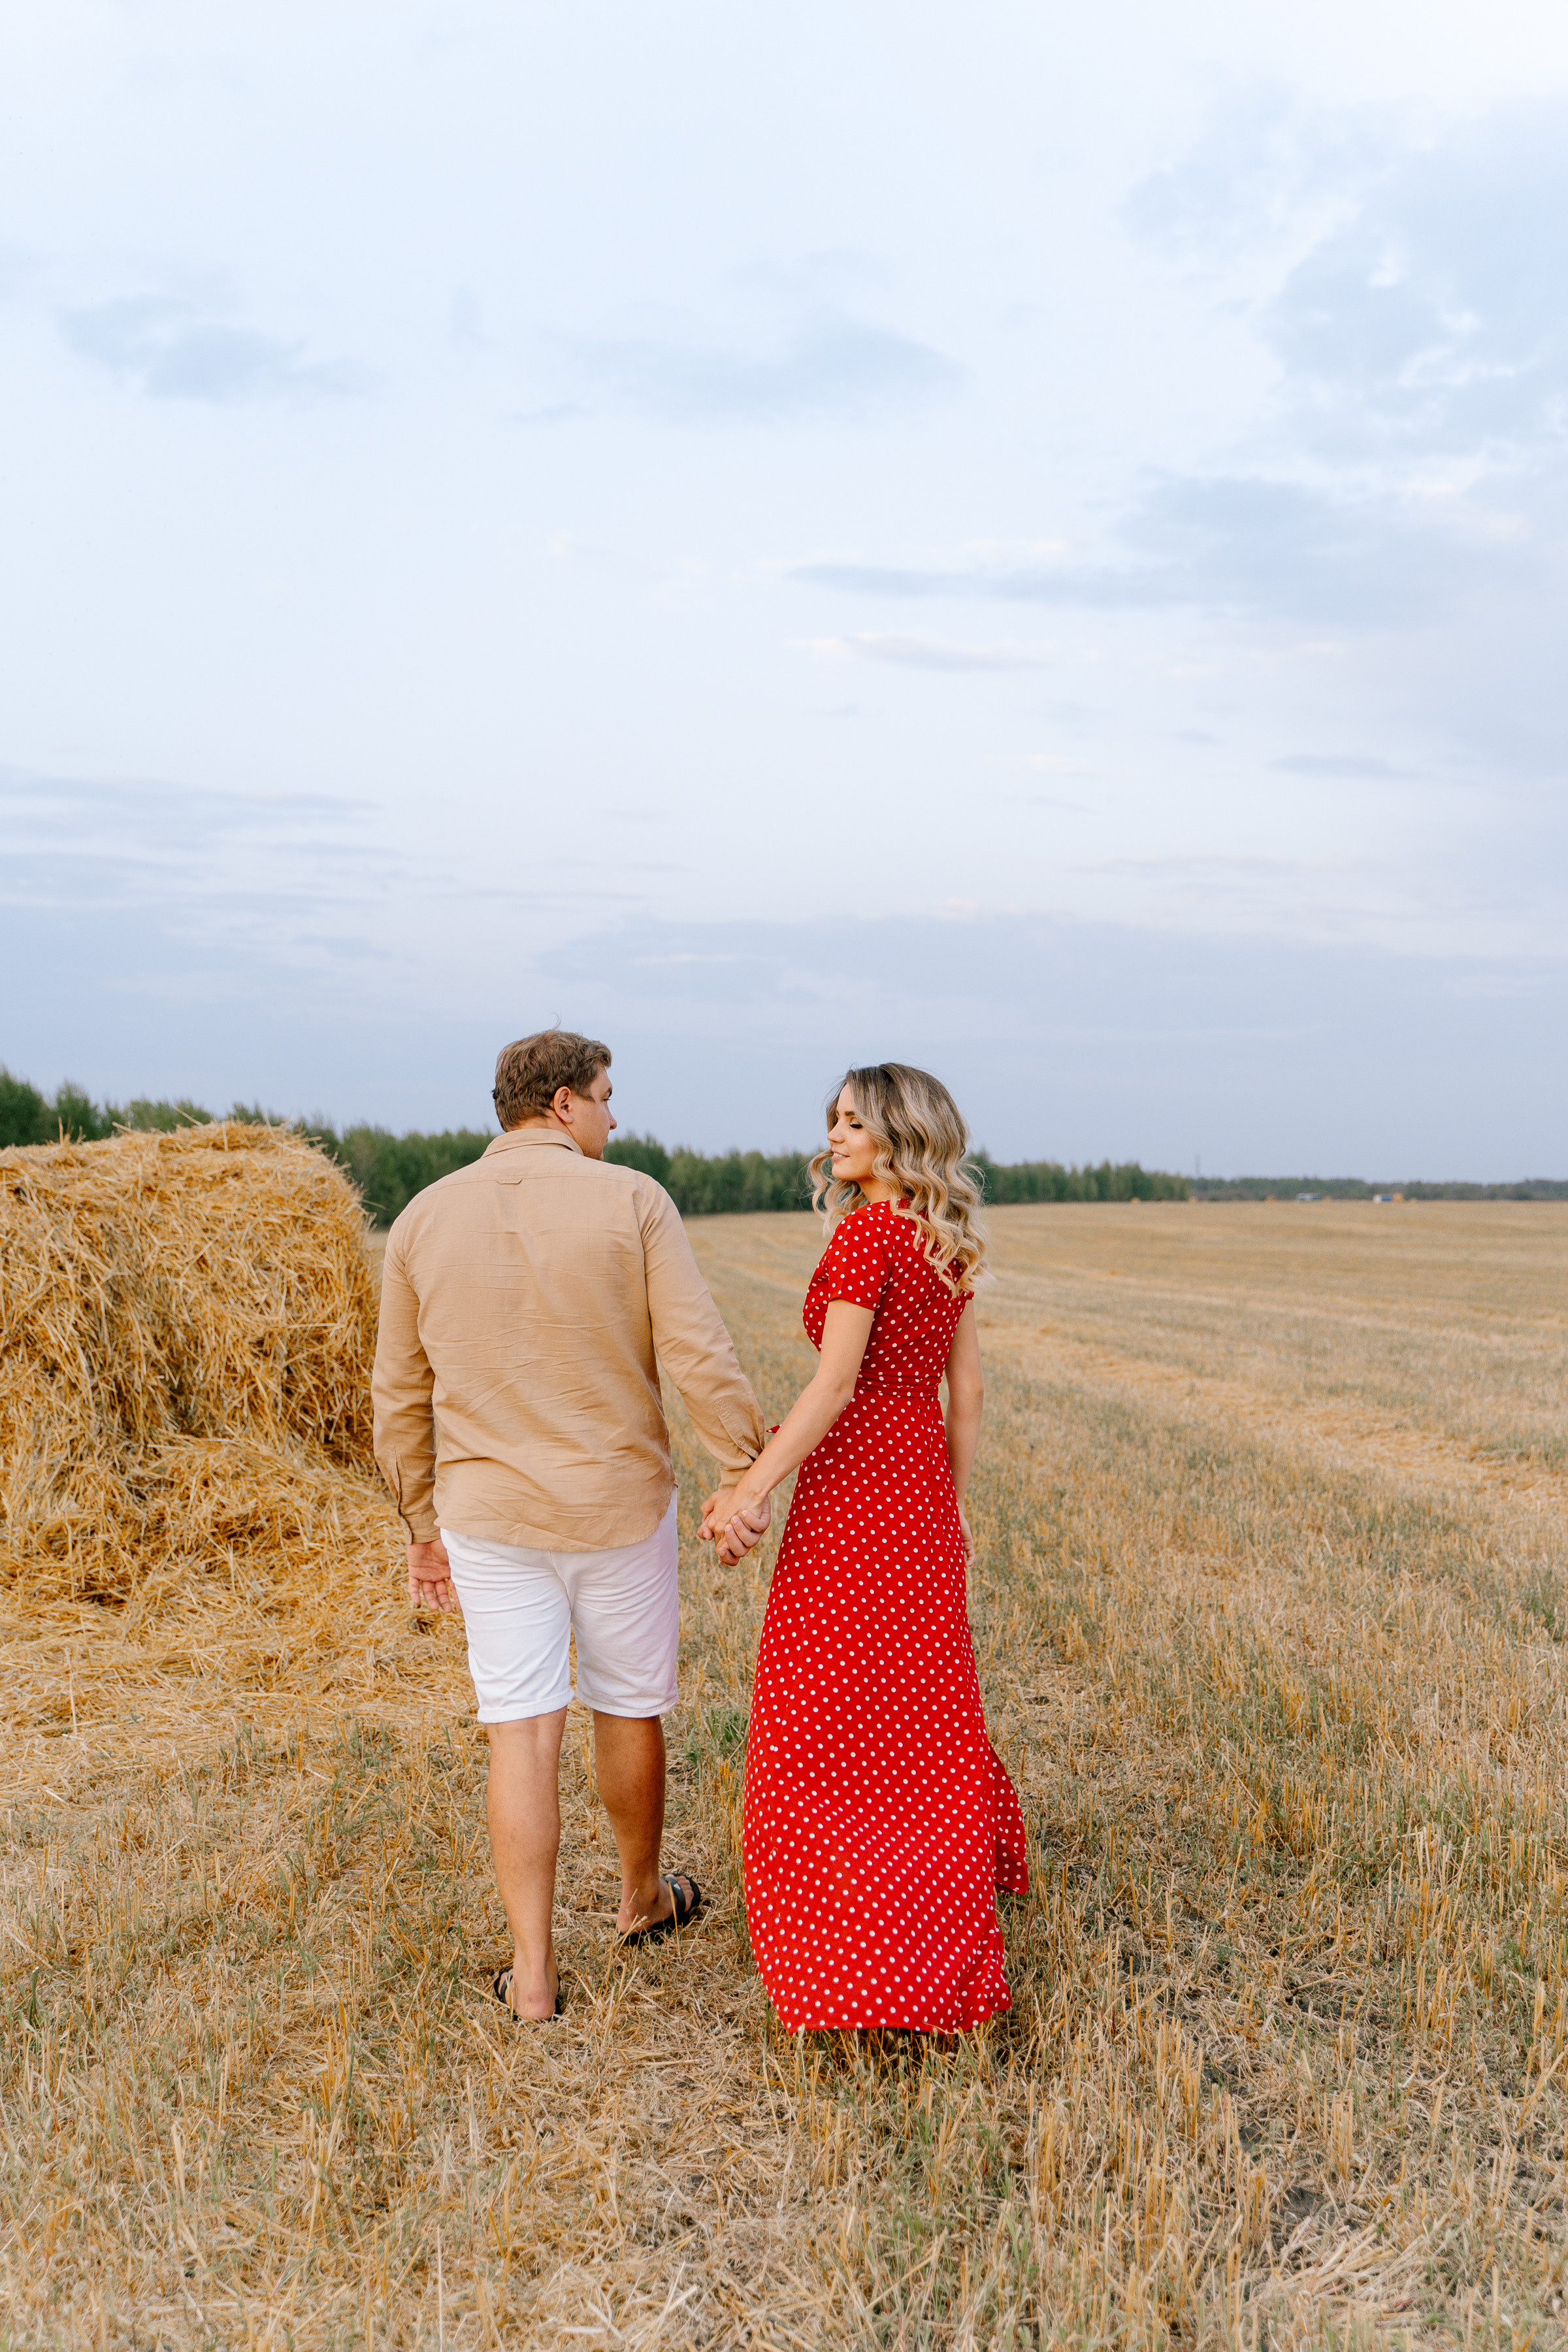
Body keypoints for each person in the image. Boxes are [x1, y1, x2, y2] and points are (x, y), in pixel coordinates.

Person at [372, 1028, 767, 2021]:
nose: (614, 1115)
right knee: (629, 1705)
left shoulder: (421, 1219)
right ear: (561, 1105)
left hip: (488, 1515)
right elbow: (697, 1348)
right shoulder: (633, 1199)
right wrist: (742, 1468)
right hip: (617, 1504)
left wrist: (422, 1525)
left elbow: (397, 1397)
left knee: (521, 1729)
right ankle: (640, 1900)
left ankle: (535, 1977)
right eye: (604, 1095)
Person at [700, 1062, 1028, 2034]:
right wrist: (953, 1508)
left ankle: (848, 1944)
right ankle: (934, 1915)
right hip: (919, 1481)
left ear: (895, 1135)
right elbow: (964, 1396)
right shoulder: (943, 1243)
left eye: (853, 1121)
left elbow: (836, 1385)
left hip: (854, 1489)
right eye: (834, 1121)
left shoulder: (863, 1238)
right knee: (916, 1703)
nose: (835, 1136)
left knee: (823, 1704)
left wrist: (751, 1488)